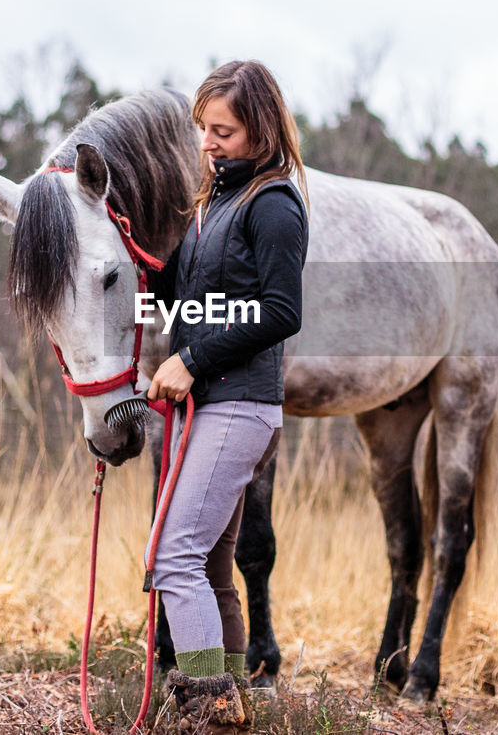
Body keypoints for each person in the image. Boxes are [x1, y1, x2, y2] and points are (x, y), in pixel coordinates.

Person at [144, 60, 309, 732]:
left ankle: (209, 708)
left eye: (224, 131)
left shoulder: (273, 205)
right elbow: (180, 294)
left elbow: (281, 310)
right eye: (203, 128)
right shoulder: (210, 204)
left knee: (173, 555)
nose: (208, 142)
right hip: (212, 402)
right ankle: (231, 702)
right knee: (210, 564)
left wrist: (189, 356)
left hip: (241, 403)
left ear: (260, 131)